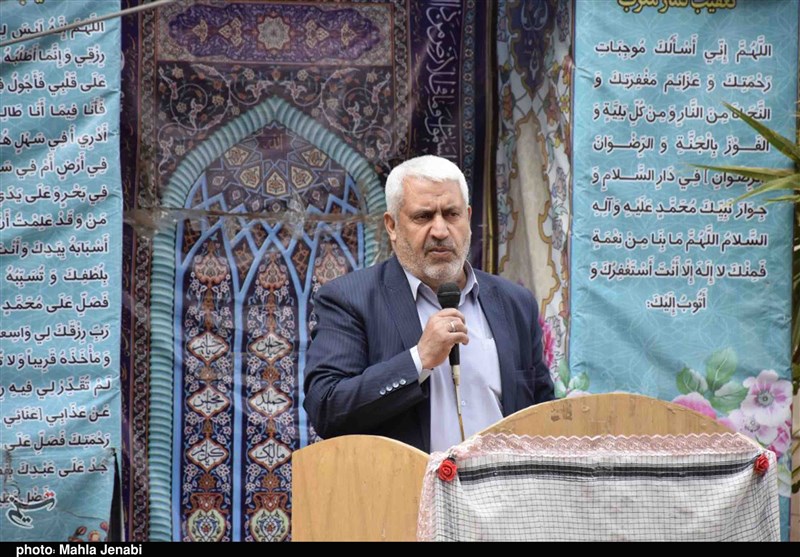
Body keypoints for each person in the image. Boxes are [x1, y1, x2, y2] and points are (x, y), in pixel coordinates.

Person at [303, 155, 554, 452]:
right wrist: (418, 360)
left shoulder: (515, 303)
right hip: (406, 482)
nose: (440, 231)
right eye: (423, 217)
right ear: (392, 226)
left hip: (502, 481)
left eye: (451, 214)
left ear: (468, 217)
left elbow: (544, 415)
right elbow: (327, 407)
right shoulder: (350, 300)